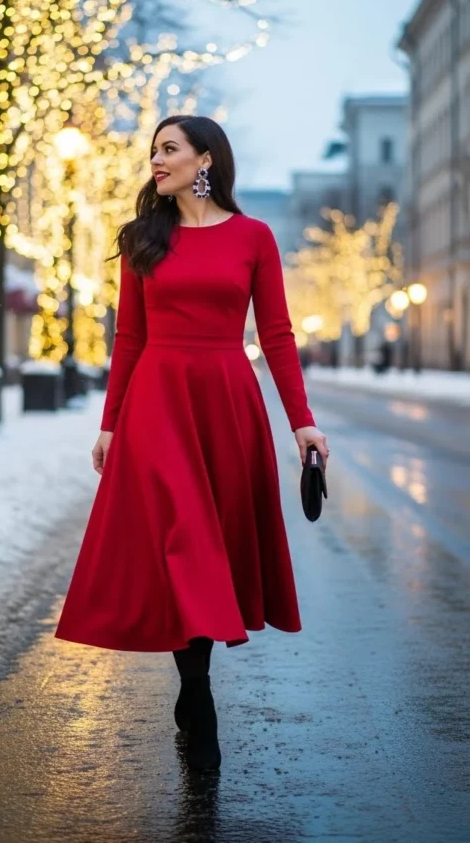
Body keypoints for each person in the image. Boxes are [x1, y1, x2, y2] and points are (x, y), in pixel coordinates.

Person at [55, 115, 329, 772]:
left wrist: (302, 421)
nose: (157, 159)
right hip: (157, 403)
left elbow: (279, 335)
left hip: (227, 400)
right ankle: (199, 690)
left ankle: (192, 678)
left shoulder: (254, 238)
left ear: (205, 159)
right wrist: (111, 423)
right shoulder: (142, 239)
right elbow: (129, 339)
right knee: (183, 535)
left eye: (169, 149)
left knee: (215, 539)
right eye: (154, 150)